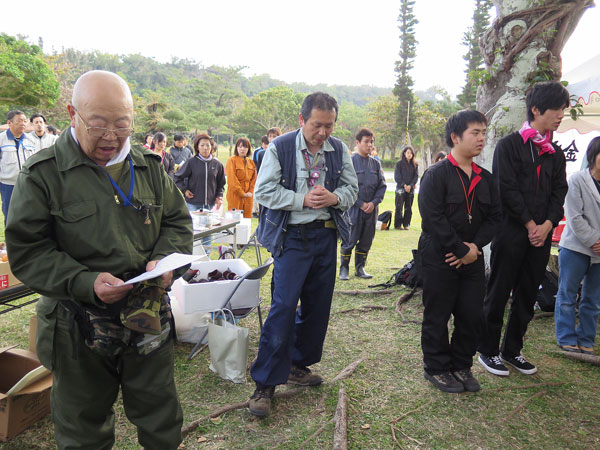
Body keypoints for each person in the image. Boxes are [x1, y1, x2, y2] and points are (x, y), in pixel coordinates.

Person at [5, 70, 192, 450]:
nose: (111, 136)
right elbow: (28, 251)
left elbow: (177, 222)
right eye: (99, 125)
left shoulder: (150, 168)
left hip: (146, 311)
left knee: (160, 414)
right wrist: (85, 281)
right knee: (82, 426)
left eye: (122, 124)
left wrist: (163, 263)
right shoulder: (43, 175)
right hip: (77, 324)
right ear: (73, 113)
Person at [249, 92, 358, 417]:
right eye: (316, 125)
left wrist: (334, 198)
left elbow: (352, 189)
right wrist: (302, 199)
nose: (323, 132)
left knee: (317, 308)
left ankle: (296, 364)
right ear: (301, 120)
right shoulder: (280, 147)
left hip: (325, 238)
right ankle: (265, 383)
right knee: (283, 307)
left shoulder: (338, 150)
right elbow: (264, 191)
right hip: (292, 238)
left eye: (329, 125)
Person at [478, 81, 569, 376]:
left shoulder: (554, 153)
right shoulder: (509, 146)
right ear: (536, 109)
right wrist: (531, 224)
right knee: (499, 290)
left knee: (528, 294)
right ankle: (488, 350)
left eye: (563, 110)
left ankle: (512, 350)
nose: (560, 115)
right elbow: (507, 189)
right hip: (511, 232)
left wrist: (546, 226)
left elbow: (559, 194)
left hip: (541, 237)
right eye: (557, 109)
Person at [418, 110, 501, 393]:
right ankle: (437, 367)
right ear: (455, 137)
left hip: (473, 259)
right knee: (437, 314)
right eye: (474, 133)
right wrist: (457, 248)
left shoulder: (486, 179)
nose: (481, 138)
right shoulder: (436, 175)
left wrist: (474, 248)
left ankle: (461, 364)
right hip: (440, 256)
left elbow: (494, 218)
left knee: (471, 313)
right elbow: (432, 218)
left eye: (483, 133)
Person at [555, 137, 600, 355]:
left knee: (593, 299)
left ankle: (586, 339)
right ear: (593, 156)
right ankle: (566, 337)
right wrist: (594, 240)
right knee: (567, 294)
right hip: (575, 248)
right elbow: (574, 217)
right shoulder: (577, 180)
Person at [339, 128, 386, 280]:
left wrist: (373, 203)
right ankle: (344, 268)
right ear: (358, 143)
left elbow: (382, 186)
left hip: (371, 211)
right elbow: (344, 186)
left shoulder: (376, 164)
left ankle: (360, 268)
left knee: (366, 239)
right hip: (354, 209)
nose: (370, 145)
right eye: (366, 142)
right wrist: (360, 203)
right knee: (350, 239)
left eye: (372, 142)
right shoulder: (350, 162)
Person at [0, 110, 36, 224]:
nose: (23, 123)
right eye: (19, 121)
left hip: (28, 184)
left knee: (30, 214)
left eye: (25, 121)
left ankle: (27, 240)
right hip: (8, 185)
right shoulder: (1, 140)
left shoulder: (30, 140)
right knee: (10, 214)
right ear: (9, 123)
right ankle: (11, 241)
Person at [174, 133, 225, 212]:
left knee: (210, 224)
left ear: (211, 147)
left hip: (211, 204)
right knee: (194, 224)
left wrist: (219, 196)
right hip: (193, 204)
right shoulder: (191, 162)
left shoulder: (217, 164)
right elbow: (177, 177)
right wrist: (185, 190)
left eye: (208, 145)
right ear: (197, 147)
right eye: (202, 145)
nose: (205, 148)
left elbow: (221, 183)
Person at [225, 137, 257, 218]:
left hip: (248, 196)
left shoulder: (251, 162)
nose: (242, 149)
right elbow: (232, 180)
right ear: (236, 148)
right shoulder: (231, 161)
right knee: (234, 219)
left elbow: (254, 179)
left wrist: (250, 192)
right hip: (235, 195)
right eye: (240, 146)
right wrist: (242, 193)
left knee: (246, 220)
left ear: (248, 148)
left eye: (245, 147)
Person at [394, 146, 418, 230]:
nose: (409, 154)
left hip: (410, 190)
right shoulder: (399, 164)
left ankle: (406, 224)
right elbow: (397, 176)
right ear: (404, 153)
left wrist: (410, 186)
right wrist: (404, 185)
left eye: (411, 153)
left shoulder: (415, 164)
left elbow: (416, 177)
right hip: (400, 189)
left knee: (408, 207)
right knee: (399, 207)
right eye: (408, 152)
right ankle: (398, 225)